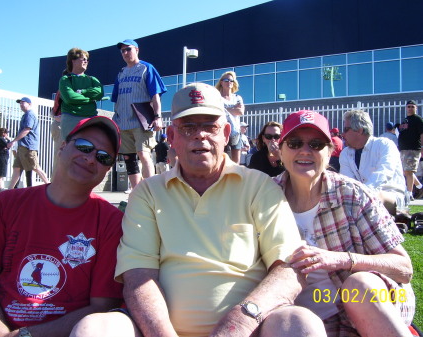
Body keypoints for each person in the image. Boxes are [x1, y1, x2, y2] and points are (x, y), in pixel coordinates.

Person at [70, 83, 325, 337]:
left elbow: (289, 268)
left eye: (209, 126)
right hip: (160, 331)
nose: (200, 136)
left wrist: (239, 322)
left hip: (249, 329)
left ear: (226, 134)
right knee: (93, 329)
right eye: (188, 127)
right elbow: (138, 276)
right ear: (171, 137)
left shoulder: (259, 187)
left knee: (300, 323)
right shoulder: (148, 192)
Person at [0, 116, 124, 336]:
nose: (91, 159)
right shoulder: (6, 204)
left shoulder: (112, 222)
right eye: (84, 146)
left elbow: (102, 306)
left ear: (107, 170)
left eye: (103, 157)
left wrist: (26, 335)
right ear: (62, 147)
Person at [275, 110, 415, 337]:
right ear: (280, 150)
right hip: (309, 318)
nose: (305, 150)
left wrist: (341, 259)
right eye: (294, 142)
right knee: (289, 321)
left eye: (316, 144)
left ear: (330, 153)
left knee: (358, 285)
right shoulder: (264, 196)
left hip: (371, 304)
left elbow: (404, 269)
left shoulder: (353, 195)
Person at [111, 39, 167, 190]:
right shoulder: (121, 73)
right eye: (122, 51)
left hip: (141, 121)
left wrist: (158, 117)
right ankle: (136, 192)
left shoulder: (146, 68)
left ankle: (152, 191)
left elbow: (155, 95)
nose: (125, 53)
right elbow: (116, 99)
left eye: (128, 49)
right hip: (123, 121)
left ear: (136, 50)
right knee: (129, 157)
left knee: (143, 153)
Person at [340, 109, 406, 215]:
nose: (342, 134)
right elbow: (348, 183)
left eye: (346, 129)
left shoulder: (385, 145)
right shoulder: (345, 154)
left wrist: (365, 193)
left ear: (360, 130)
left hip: (392, 195)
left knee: (376, 197)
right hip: (359, 199)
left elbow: (384, 172)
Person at [59, 48, 104, 139]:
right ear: (73, 61)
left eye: (87, 60)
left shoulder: (92, 79)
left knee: (90, 148)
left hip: (90, 119)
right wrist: (90, 99)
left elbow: (100, 93)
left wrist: (82, 92)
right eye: (83, 59)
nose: (86, 61)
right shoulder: (65, 79)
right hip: (70, 119)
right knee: (71, 149)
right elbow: (70, 98)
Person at [7, 97, 49, 188]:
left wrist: (13, 141)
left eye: (23, 103)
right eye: (20, 103)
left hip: (28, 147)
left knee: (36, 168)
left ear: (29, 104)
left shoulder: (29, 115)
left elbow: (26, 130)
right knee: (16, 168)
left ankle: (50, 186)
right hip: (22, 147)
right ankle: (9, 190)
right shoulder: (25, 115)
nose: (21, 104)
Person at [216, 71, 245, 164]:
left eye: (231, 80)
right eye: (226, 80)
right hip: (223, 132)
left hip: (236, 132)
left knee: (236, 162)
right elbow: (218, 111)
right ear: (221, 82)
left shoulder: (237, 97)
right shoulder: (218, 97)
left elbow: (240, 111)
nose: (229, 82)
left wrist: (225, 108)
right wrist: (233, 108)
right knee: (224, 160)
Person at [398, 100, 423, 198]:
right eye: (408, 106)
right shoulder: (405, 120)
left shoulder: (418, 120)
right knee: (405, 171)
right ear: (406, 108)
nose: (410, 108)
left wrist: (422, 147)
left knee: (409, 171)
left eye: (412, 106)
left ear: (416, 108)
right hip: (403, 149)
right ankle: (419, 186)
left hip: (413, 149)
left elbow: (422, 134)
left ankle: (409, 194)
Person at [0, 127, 11, 192]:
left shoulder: (0, 139)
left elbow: (7, 147)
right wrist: (8, 140)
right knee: (1, 172)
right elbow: (8, 145)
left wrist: (7, 147)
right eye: (6, 133)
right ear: (3, 133)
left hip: (2, 156)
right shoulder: (0, 139)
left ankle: (0, 186)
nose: (7, 134)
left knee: (2, 171)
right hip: (2, 156)